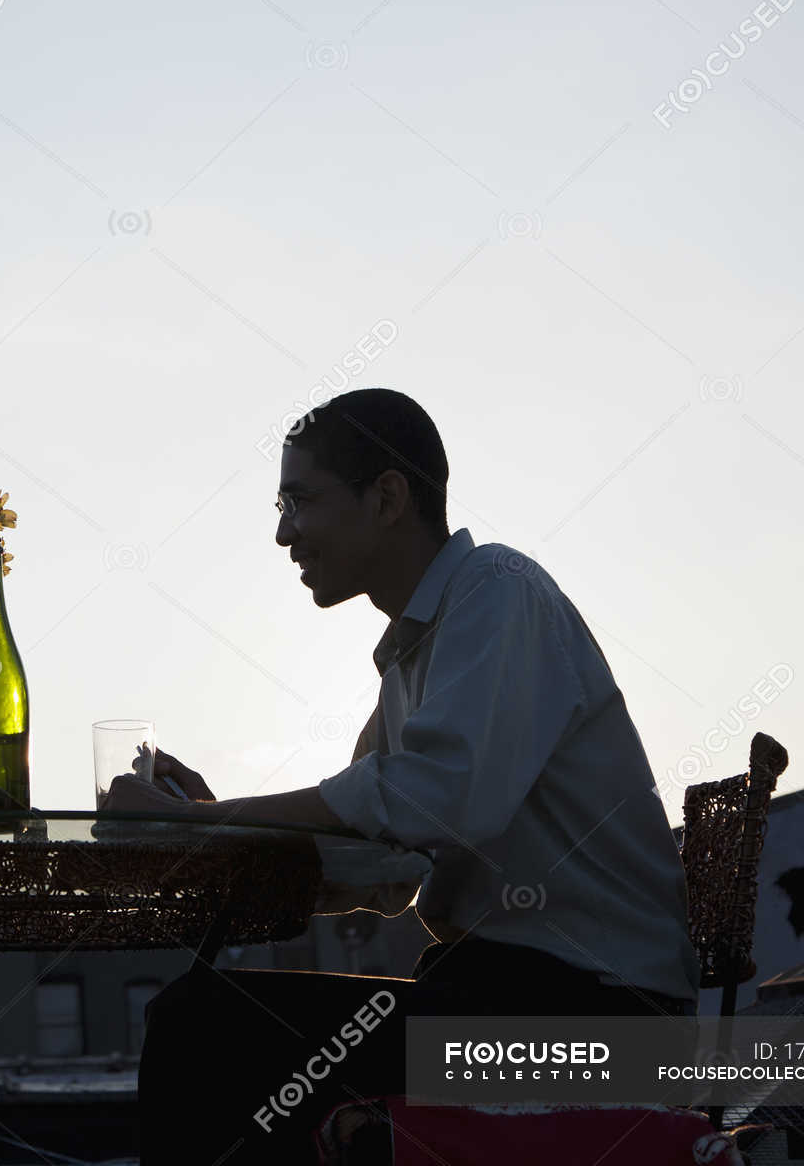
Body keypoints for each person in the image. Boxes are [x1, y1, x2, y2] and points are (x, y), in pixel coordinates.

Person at [105, 388, 699, 1164]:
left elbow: (435, 801)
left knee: (202, 1026)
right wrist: (231, 822)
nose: (284, 532)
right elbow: (378, 865)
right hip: (502, 1005)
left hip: (593, 1026)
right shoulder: (418, 651)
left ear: (386, 497)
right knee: (208, 1025)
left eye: (300, 500)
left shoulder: (498, 590)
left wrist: (193, 825)